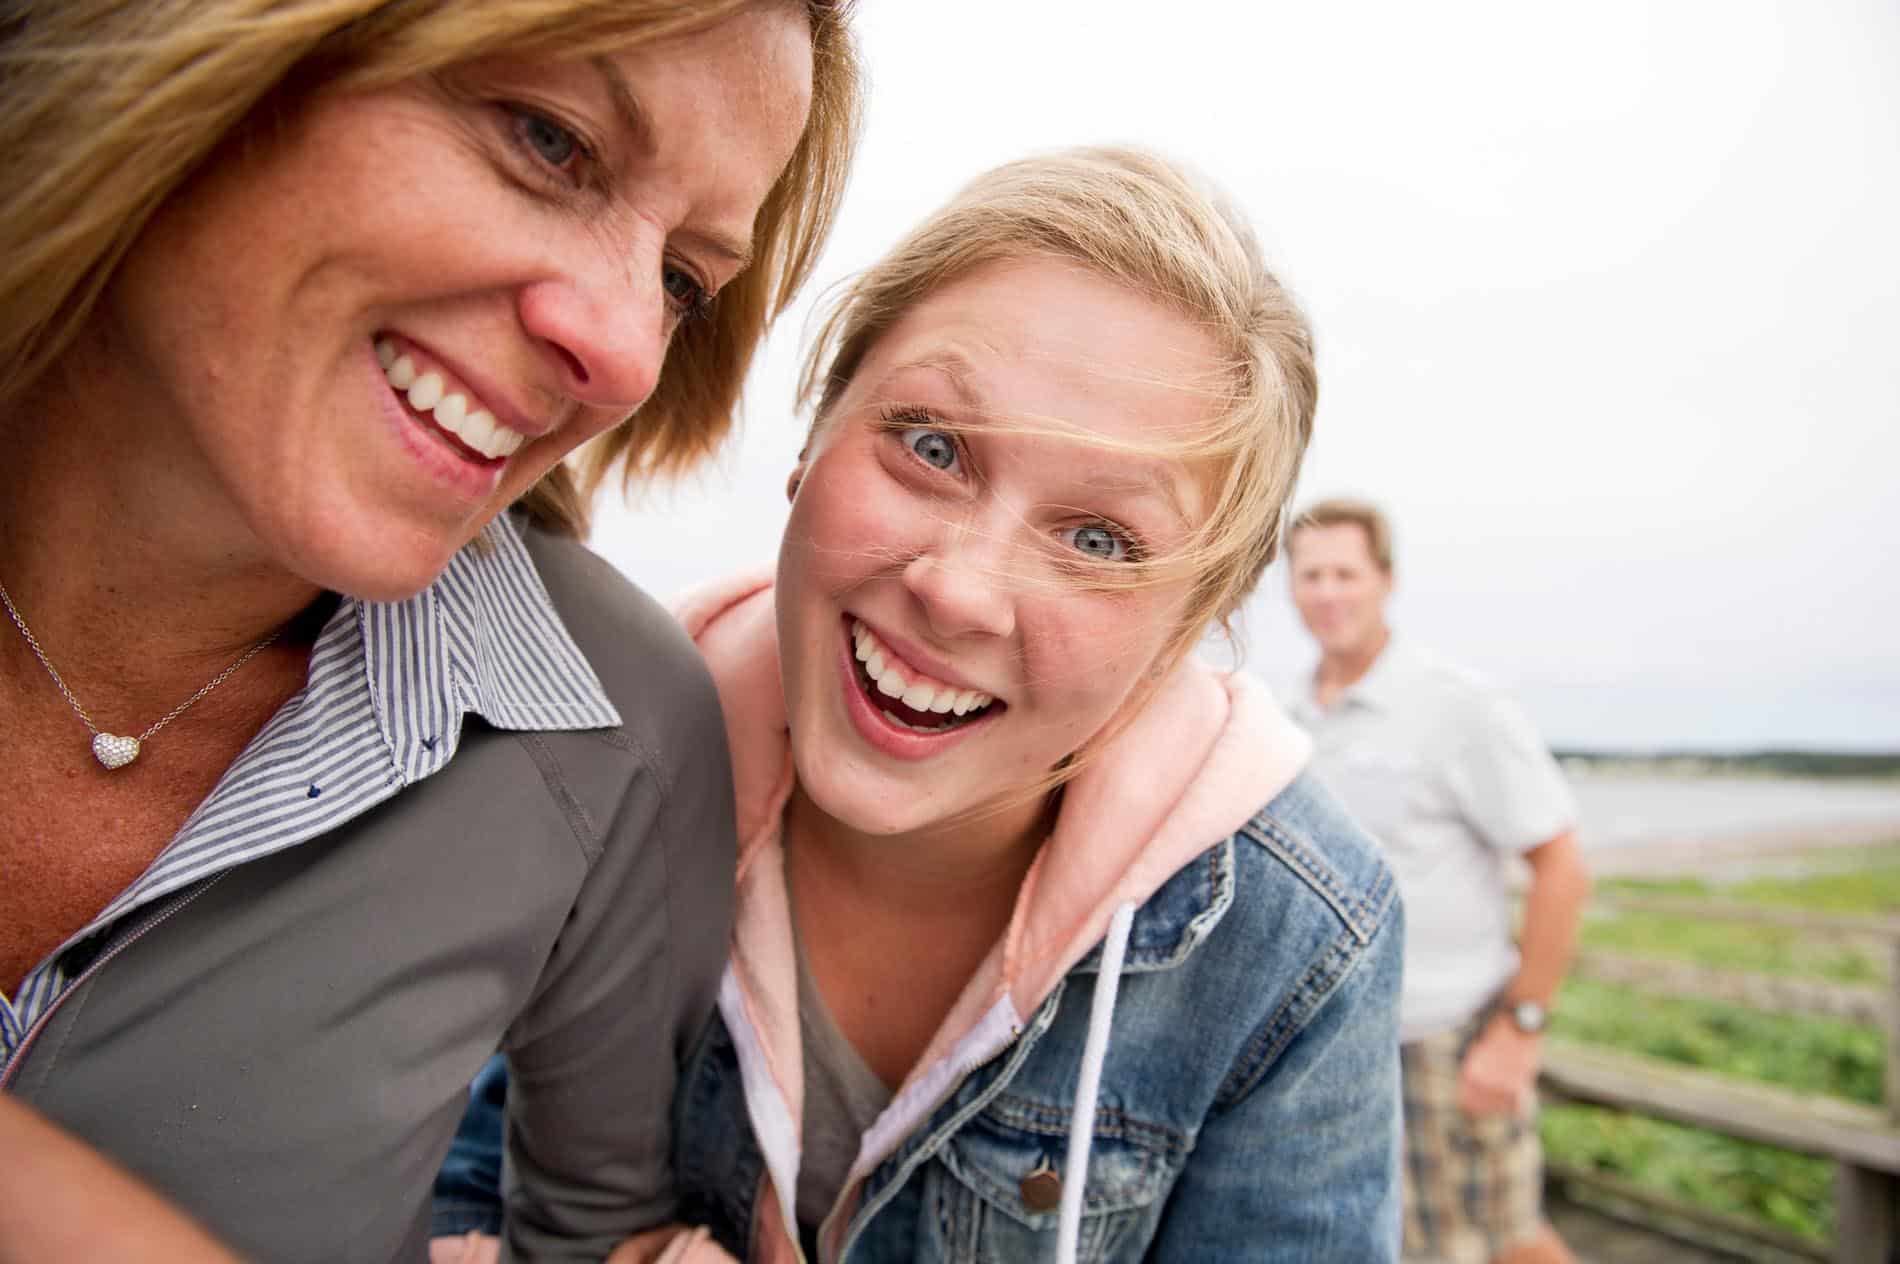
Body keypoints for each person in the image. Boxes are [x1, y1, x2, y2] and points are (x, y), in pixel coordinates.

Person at [0, 3, 860, 1261]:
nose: (625, 355)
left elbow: (594, 1233)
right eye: (549, 140)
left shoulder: (618, 727)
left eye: (682, 281)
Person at [437, 146, 1405, 1263]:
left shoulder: (1288, 938)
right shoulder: (602, 764)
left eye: (1097, 540)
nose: (957, 588)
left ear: (1181, 636)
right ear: (813, 432)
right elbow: (470, 1175)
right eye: (931, 447)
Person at [1283, 499, 1593, 1264]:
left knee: (1505, 1241)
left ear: (1385, 580)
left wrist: (1518, 1035)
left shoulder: (1461, 707)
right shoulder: (1288, 716)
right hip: (1340, 1049)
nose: (1328, 593)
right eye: (1310, 574)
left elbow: (1562, 867)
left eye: (1346, 573)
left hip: (1449, 1036)